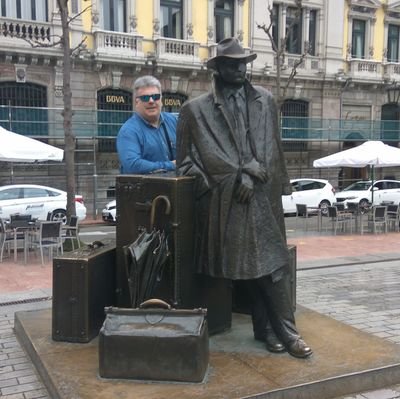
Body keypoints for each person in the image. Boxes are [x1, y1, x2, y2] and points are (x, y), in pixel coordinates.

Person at [176, 37, 312, 358]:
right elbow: (184, 163)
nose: (239, 68)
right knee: (254, 266)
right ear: (218, 68)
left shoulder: (265, 100)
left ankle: (286, 333)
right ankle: (266, 330)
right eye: (232, 63)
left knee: (272, 264)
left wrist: (251, 175)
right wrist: (234, 174)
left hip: (261, 197)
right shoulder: (194, 111)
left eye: (243, 63)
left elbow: (270, 150)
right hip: (226, 201)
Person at [117, 75, 177, 174]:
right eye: (145, 98)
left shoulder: (173, 121)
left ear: (161, 100)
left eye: (155, 97)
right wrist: (170, 165)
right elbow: (132, 165)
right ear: (137, 102)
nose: (151, 101)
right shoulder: (128, 131)